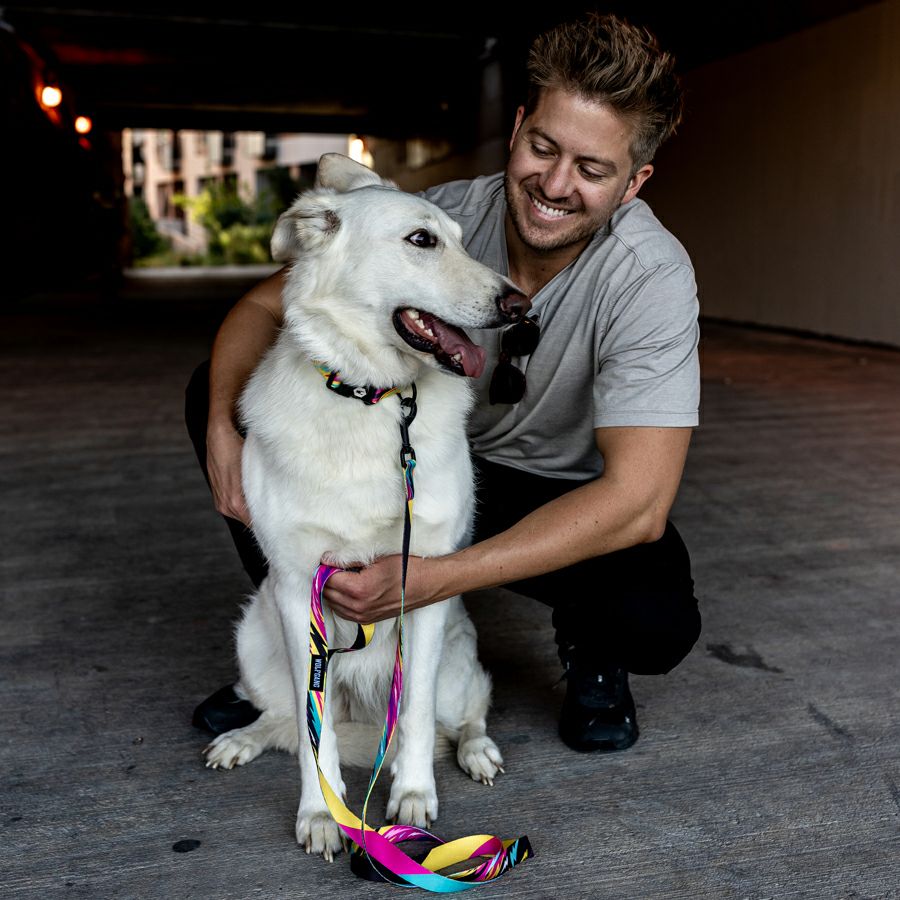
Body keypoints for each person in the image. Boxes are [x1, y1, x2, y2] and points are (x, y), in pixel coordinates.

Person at [187, 11, 701, 753]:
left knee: (654, 613)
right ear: (517, 126)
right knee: (226, 390)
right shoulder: (442, 216)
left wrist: (434, 577)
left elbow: (638, 501)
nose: (554, 185)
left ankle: (593, 651)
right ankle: (307, 650)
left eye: (591, 170)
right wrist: (219, 427)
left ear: (633, 183)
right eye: (543, 147)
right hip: (412, 460)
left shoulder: (650, 276)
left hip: (544, 492)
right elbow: (264, 306)